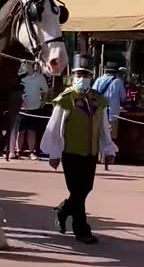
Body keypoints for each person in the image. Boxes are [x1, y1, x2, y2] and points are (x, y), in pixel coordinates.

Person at [40, 54, 118, 244]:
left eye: (86, 74)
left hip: (90, 153)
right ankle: (82, 231)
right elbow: (54, 127)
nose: (82, 77)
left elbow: (103, 127)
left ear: (91, 76)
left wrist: (108, 150)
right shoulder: (66, 99)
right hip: (71, 152)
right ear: (73, 75)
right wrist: (54, 153)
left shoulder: (97, 100)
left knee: (85, 188)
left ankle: (63, 209)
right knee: (77, 191)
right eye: (79, 73)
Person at [15, 64, 49, 160]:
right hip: (21, 108)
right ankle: (18, 151)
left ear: (32, 65)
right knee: (20, 131)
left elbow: (46, 91)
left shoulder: (40, 77)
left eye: (28, 64)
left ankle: (31, 152)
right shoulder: (20, 76)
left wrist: (43, 102)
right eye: (24, 64)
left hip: (35, 107)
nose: (25, 66)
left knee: (32, 131)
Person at [91, 62, 126, 140]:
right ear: (116, 72)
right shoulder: (118, 82)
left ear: (106, 70)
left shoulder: (98, 80)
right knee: (110, 139)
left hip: (99, 113)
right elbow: (123, 98)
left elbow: (92, 95)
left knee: (99, 137)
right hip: (112, 115)